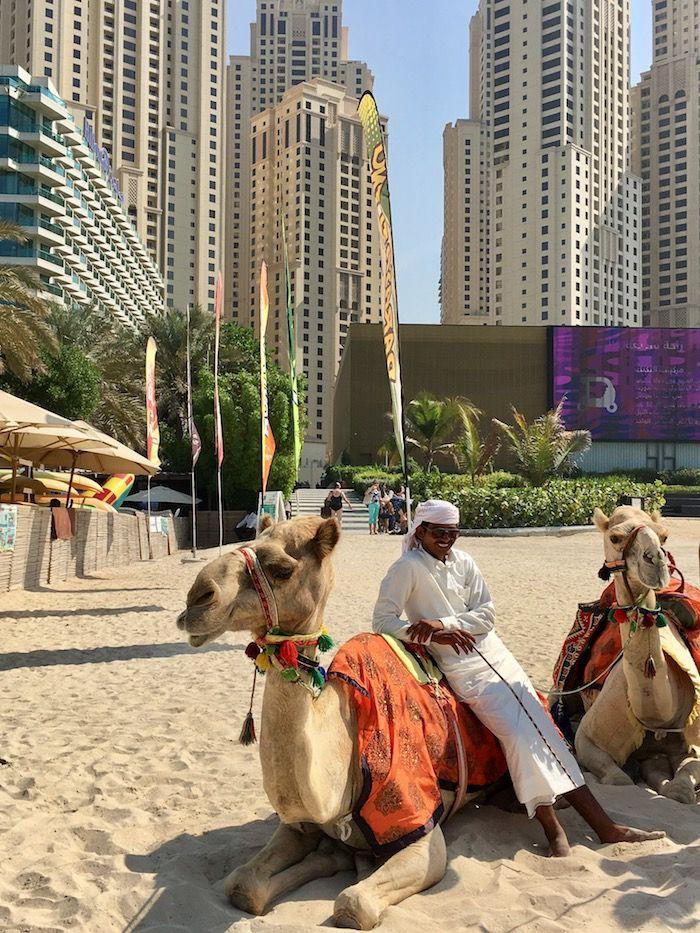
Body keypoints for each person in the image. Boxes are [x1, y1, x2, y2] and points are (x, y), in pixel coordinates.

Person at [372, 499, 664, 857]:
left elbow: (487, 615)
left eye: (453, 532)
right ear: (421, 531)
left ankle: (603, 827)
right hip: (461, 668)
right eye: (438, 532)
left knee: (545, 732)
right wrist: (433, 636)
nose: (446, 539)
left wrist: (447, 624)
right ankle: (555, 829)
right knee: (520, 736)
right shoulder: (407, 568)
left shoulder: (464, 562)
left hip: (498, 657)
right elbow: (383, 620)